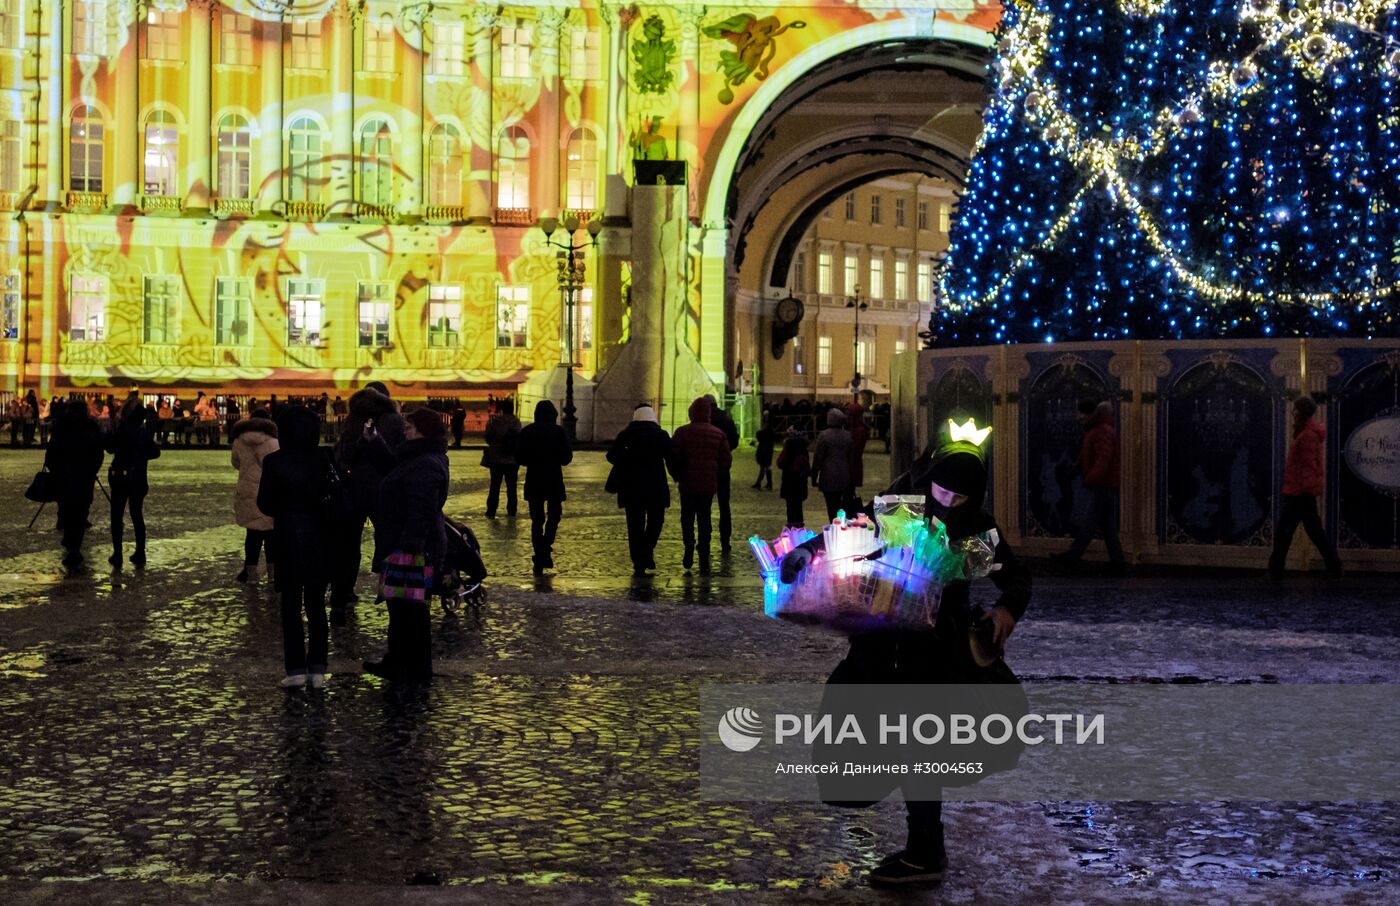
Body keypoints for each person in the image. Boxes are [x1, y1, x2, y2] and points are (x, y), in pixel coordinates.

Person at [779, 427, 1031, 887]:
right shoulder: (899, 509)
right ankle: (918, 843)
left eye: (960, 496)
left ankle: (925, 851)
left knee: (919, 751)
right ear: (926, 477)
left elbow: (1016, 579)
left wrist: (1005, 609)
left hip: (935, 657)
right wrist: (806, 550)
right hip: (880, 649)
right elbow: (851, 529)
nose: (948, 501)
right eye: (941, 490)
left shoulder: (974, 527)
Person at [364, 407, 450, 682]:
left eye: (410, 427)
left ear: (424, 430)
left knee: (409, 610)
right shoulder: (416, 456)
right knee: (401, 607)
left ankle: (411, 667)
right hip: (405, 543)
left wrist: (409, 547)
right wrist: (375, 441)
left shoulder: (424, 462)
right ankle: (401, 662)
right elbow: (393, 465)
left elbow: (421, 508)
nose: (405, 430)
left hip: (411, 548)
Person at [257, 405, 332, 690]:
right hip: (320, 538)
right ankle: (318, 669)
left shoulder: (275, 461)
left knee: (290, 605)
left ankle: (296, 669)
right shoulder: (324, 458)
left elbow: (264, 503)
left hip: (287, 537)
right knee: (316, 605)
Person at [331, 382, 406, 612]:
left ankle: (341, 592)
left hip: (353, 489)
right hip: (384, 489)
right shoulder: (393, 420)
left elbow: (343, 453)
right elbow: (397, 458)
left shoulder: (353, 418)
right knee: (391, 541)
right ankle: (394, 592)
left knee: (347, 544)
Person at [1268, 396, 1342, 578]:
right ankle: (1334, 567)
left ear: (1300, 412)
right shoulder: (1307, 432)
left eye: (1295, 409)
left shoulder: (1307, 435)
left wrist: (1304, 490)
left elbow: (1309, 465)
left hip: (1299, 493)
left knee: (1284, 530)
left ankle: (1275, 570)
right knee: (1314, 531)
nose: (1293, 412)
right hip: (1301, 492)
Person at [1051, 400, 1126, 576]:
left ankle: (1073, 556)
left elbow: (1103, 459)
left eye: (1083, 413)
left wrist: (1091, 478)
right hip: (1106, 484)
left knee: (1089, 523)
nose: (1080, 417)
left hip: (1103, 485)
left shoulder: (1101, 432)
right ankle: (1118, 562)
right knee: (1107, 527)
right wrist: (1077, 469)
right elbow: (1086, 454)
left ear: (1092, 415)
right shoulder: (1097, 430)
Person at [607, 403, 675, 575]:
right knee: (656, 522)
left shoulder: (625, 435)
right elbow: (671, 458)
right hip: (656, 487)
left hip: (631, 488)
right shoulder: (661, 435)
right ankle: (647, 550)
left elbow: (611, 456)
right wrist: (678, 476)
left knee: (634, 525)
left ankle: (639, 559)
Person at [669, 396, 732, 573]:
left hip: (687, 484)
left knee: (687, 516)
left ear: (691, 413)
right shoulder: (718, 434)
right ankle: (704, 550)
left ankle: (689, 542)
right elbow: (726, 461)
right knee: (705, 517)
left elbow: (673, 457)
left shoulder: (682, 432)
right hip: (707, 485)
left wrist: (677, 475)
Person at [515, 400, 573, 575]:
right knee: (554, 515)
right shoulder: (559, 432)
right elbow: (566, 458)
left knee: (537, 519)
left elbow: (520, 458)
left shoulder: (528, 431)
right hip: (554, 479)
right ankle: (546, 546)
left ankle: (539, 550)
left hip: (534, 479)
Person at [45, 401, 105, 567]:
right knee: (80, 511)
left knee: (67, 507)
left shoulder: (61, 428)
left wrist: (55, 469)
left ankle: (70, 541)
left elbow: (51, 453)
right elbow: (98, 453)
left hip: (64, 476)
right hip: (84, 476)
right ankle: (74, 547)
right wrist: (92, 470)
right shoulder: (91, 427)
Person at [104, 397, 161, 569]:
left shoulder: (122, 430)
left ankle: (118, 553)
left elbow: (110, 447)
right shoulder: (142, 432)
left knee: (117, 515)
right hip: (138, 477)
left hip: (121, 476)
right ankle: (140, 551)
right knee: (137, 515)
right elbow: (155, 452)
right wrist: (141, 456)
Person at [230, 408, 280, 584]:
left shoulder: (239, 440)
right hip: (268, 491)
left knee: (252, 535)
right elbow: (276, 466)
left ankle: (251, 574)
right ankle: (273, 574)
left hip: (247, 490)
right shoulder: (273, 442)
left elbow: (235, 463)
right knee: (271, 536)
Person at [704, 395, 740, 554]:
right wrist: (726, 451)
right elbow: (735, 440)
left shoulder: (704, 418)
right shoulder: (726, 418)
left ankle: (704, 539)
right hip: (723, 467)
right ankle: (725, 540)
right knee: (724, 506)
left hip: (705, 467)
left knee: (704, 506)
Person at [810, 407, 854, 521]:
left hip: (828, 476)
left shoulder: (824, 436)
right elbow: (851, 458)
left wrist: (814, 476)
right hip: (845, 476)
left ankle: (833, 527)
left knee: (831, 506)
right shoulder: (848, 436)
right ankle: (842, 527)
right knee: (843, 506)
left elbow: (818, 458)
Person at [482, 399, 522, 518]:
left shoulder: (496, 421)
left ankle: (491, 510)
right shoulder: (516, 422)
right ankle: (512, 509)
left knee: (495, 486)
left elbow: (488, 436)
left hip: (496, 459)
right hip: (512, 459)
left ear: (502, 409)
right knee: (512, 487)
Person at [777, 430, 810, 527]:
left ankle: (792, 527)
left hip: (789, 480)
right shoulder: (804, 448)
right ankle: (799, 527)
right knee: (798, 506)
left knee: (790, 507)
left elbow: (780, 463)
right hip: (800, 480)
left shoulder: (788, 446)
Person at [846, 400, 869, 499]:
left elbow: (855, 448)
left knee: (849, 492)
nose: (848, 416)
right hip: (850, 464)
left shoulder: (860, 430)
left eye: (850, 414)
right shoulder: (853, 428)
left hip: (852, 464)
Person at [752, 412, 775, 490]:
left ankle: (759, 483)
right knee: (767, 466)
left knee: (763, 467)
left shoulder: (766, 430)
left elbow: (760, 436)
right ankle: (769, 483)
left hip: (764, 450)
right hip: (767, 449)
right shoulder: (770, 429)